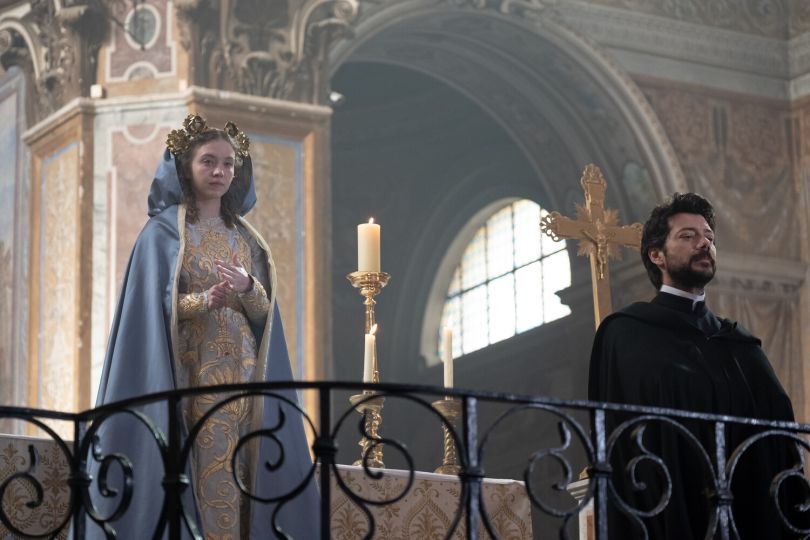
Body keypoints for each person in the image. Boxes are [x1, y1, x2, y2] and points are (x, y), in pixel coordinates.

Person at [92, 115, 319, 538]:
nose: (219, 172)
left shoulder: (247, 239)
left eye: (228, 164)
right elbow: (149, 311)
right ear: (186, 167)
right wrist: (202, 300)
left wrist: (248, 288)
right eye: (208, 162)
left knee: (247, 466)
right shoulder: (162, 234)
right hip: (193, 373)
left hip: (245, 375)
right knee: (204, 463)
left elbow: (264, 315)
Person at [589, 193, 807, 539]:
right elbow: (625, 439)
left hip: (747, 518)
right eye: (687, 236)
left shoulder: (738, 343)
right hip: (673, 514)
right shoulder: (628, 334)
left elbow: (779, 433)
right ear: (657, 255)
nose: (704, 244)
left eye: (709, 237)